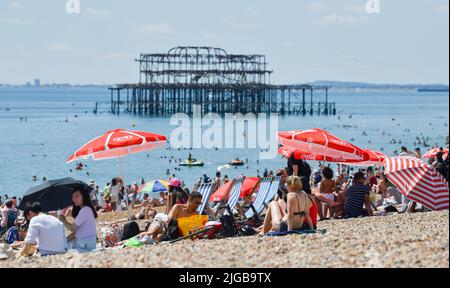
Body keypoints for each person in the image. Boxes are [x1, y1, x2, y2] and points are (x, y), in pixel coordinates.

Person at [60, 187, 98, 253]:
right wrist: (65, 240)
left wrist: (63, 220)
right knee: (63, 245)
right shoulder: (86, 209)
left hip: (85, 246)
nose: (74, 199)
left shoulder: (85, 210)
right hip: (87, 243)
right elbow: (76, 232)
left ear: (84, 196)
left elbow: (73, 228)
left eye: (77, 196)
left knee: (61, 250)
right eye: (73, 197)